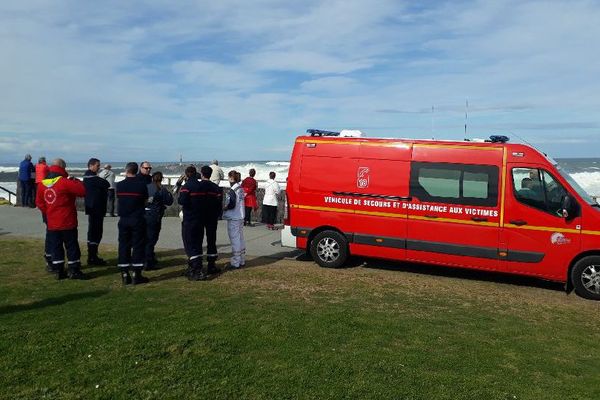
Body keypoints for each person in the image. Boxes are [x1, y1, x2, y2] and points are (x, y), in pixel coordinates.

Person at [35, 159, 86, 280]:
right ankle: (74, 270)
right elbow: (82, 191)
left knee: (56, 247)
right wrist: (76, 181)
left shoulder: (42, 184)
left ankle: (58, 270)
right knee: (71, 246)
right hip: (67, 220)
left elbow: (39, 202)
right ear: (63, 168)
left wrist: (49, 212)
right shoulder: (64, 182)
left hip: (52, 222)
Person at [178, 165, 223, 280]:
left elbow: (183, 200)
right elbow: (219, 204)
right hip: (211, 217)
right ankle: (211, 265)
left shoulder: (198, 186)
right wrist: (217, 214)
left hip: (199, 217)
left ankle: (195, 267)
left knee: (194, 241)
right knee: (211, 240)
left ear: (202, 174)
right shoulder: (215, 188)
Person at [116, 162, 149, 285]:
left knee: (124, 245)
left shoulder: (120, 185)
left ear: (126, 170)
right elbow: (145, 202)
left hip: (124, 218)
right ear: (137, 170)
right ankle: (137, 273)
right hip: (137, 218)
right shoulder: (141, 186)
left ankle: (124, 273)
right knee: (138, 245)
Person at [83, 158, 110, 266]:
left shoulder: (89, 177)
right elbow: (106, 184)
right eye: (97, 166)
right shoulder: (91, 177)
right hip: (96, 208)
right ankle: (92, 256)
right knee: (96, 232)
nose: (99, 168)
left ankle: (93, 255)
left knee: (93, 231)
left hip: (93, 207)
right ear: (91, 166)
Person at [144, 171, 173, 270]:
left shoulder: (146, 187)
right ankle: (148, 262)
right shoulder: (161, 190)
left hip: (145, 214)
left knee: (146, 238)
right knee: (152, 238)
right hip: (155, 215)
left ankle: (147, 258)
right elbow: (169, 202)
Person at [223, 171, 246, 269]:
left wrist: (225, 208)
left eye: (228, 177)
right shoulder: (240, 188)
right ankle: (242, 259)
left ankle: (236, 262)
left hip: (234, 217)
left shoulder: (233, 189)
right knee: (240, 238)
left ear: (231, 178)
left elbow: (231, 204)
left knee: (235, 239)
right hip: (241, 216)